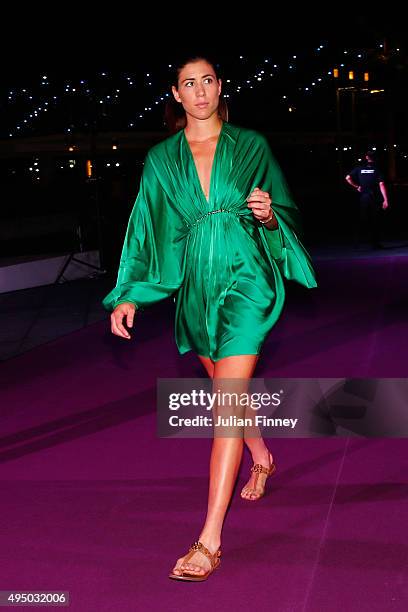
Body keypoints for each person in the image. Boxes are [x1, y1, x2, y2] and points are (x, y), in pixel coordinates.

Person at [102, 54, 317, 581]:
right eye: (188, 84)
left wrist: (267, 215)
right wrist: (128, 293)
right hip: (197, 289)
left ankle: (209, 539)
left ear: (221, 86)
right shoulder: (161, 159)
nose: (200, 91)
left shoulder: (251, 145)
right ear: (175, 94)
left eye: (208, 81)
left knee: (225, 406)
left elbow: (282, 211)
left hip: (247, 279)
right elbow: (148, 229)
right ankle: (262, 457)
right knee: (230, 391)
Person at [345, 151, 389, 248]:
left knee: (363, 219)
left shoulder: (359, 168)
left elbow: (347, 178)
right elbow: (381, 184)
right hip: (374, 198)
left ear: (366, 157)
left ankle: (358, 242)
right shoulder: (377, 169)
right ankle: (375, 243)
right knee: (375, 219)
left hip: (363, 198)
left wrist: (356, 186)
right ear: (375, 158)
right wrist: (385, 199)